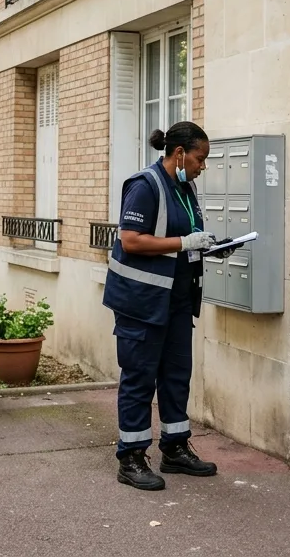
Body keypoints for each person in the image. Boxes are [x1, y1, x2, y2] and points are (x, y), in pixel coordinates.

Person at [103, 121, 236, 491]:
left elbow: (183, 238)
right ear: (179, 153)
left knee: (177, 376)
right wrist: (184, 243)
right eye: (199, 158)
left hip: (176, 301)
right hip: (141, 302)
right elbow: (131, 240)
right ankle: (131, 457)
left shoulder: (185, 188)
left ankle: (175, 448)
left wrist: (208, 246)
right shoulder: (144, 186)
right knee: (139, 378)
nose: (202, 166)